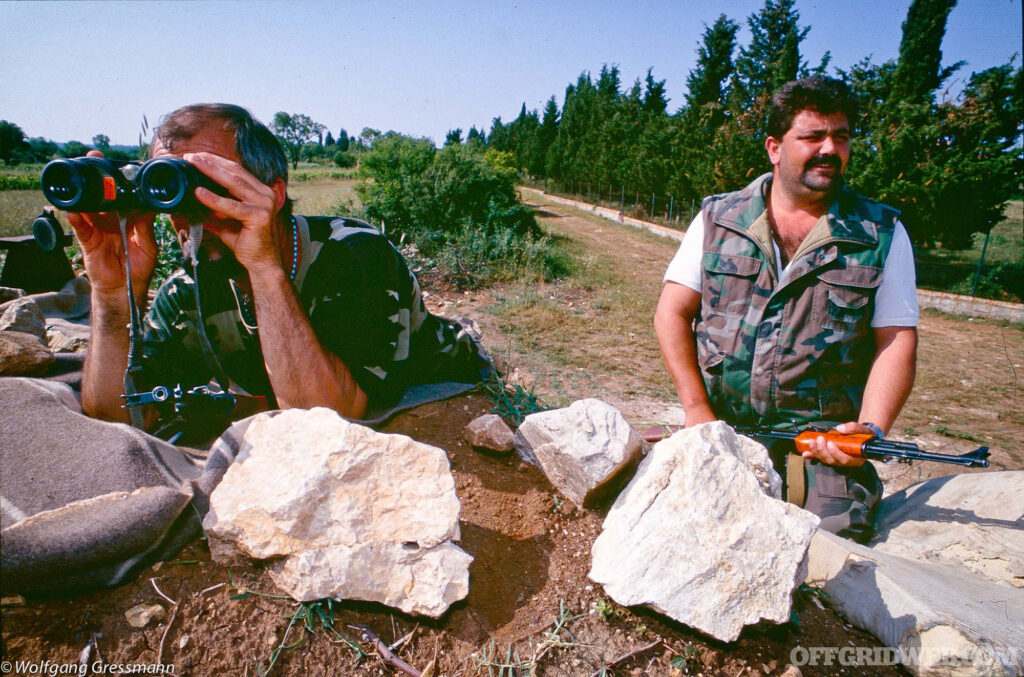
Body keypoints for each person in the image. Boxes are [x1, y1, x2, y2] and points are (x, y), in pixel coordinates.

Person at [68, 103, 486, 440]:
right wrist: (112, 295)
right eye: (171, 186)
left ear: (274, 193)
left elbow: (326, 422)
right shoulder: (188, 287)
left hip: (431, 367)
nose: (190, 212)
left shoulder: (353, 254)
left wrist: (264, 269)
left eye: (212, 182)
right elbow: (116, 416)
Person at [653, 76, 919, 541]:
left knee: (825, 548)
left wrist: (868, 430)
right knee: (683, 529)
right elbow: (672, 313)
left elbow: (896, 340)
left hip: (818, 442)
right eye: (813, 136)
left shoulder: (880, 235)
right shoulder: (719, 219)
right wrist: (696, 409)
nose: (829, 149)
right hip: (722, 427)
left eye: (841, 136)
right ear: (775, 147)